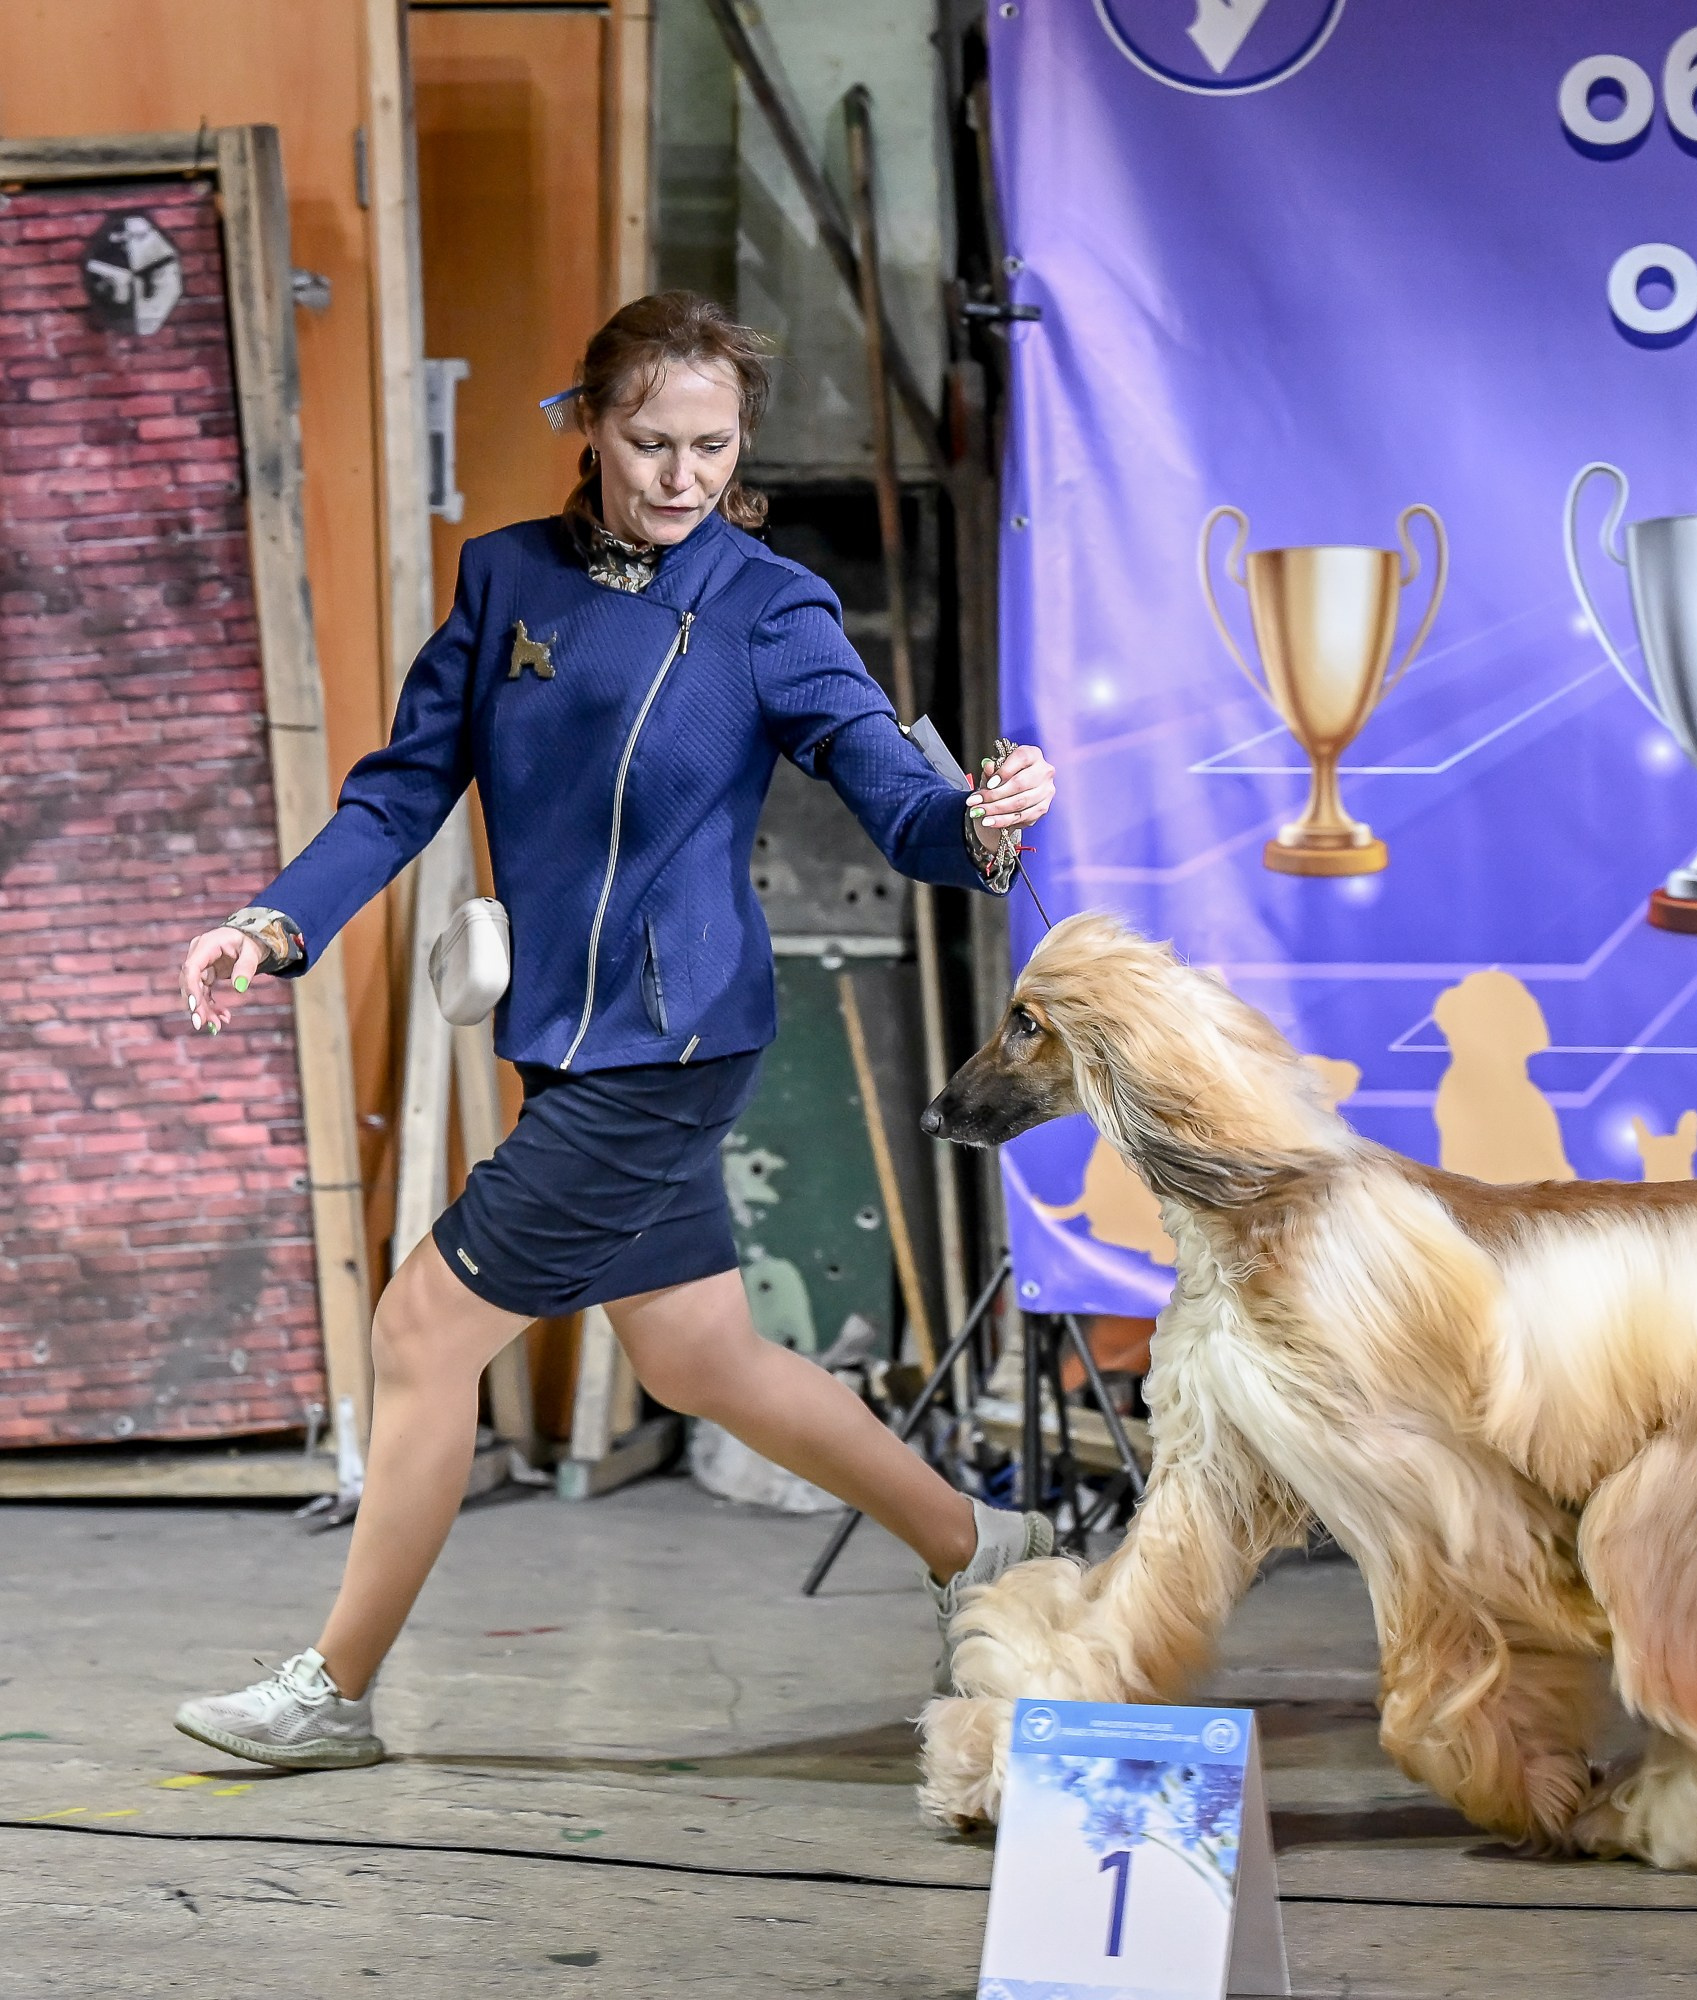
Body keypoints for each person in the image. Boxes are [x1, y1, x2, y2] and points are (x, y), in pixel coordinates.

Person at [170, 293, 1058, 1771]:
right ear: (587, 427)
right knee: (701, 1358)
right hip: (563, 1039)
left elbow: (899, 804)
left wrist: (981, 820)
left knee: (417, 1330)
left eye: (711, 446)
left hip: (673, 1043)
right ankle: (982, 1540)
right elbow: (398, 791)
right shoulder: (504, 579)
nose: (679, 476)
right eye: (649, 441)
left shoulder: (774, 607)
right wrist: (272, 925)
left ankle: (333, 1692)